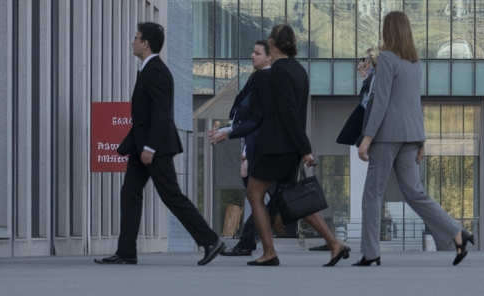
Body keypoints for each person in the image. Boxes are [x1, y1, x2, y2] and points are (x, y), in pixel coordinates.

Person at [95, 23, 225, 266]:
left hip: (155, 148)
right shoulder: (148, 69)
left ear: (145, 43)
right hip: (142, 146)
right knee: (130, 193)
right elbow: (144, 115)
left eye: (136, 38)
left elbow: (160, 112)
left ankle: (210, 240)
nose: (133, 42)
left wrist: (150, 148)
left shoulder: (155, 70)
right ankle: (126, 252)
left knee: (171, 195)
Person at [355, 11, 474, 266]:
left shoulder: (386, 58)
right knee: (415, 193)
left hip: (386, 135)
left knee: (372, 194)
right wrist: (421, 141)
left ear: (388, 31)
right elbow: (414, 103)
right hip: (410, 135)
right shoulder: (414, 63)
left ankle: (370, 253)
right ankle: (457, 232)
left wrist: (367, 138)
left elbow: (381, 102)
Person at [245, 23, 350, 267]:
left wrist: (306, 150)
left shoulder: (278, 70)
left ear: (273, 43)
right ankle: (335, 245)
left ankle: (269, 252)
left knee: (253, 193)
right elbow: (296, 114)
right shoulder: (299, 70)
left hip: (276, 147)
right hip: (289, 147)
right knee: (294, 199)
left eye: (270, 38)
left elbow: (288, 114)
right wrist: (302, 149)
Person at [209, 40, 271, 256]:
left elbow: (258, 120)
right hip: (254, 145)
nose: (252, 56)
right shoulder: (256, 76)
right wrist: (227, 132)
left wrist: (233, 139)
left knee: (264, 197)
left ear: (270, 57)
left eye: (257, 53)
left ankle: (248, 242)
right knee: (263, 197)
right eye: (252, 51)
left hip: (263, 148)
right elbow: (246, 115)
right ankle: (248, 242)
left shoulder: (266, 79)